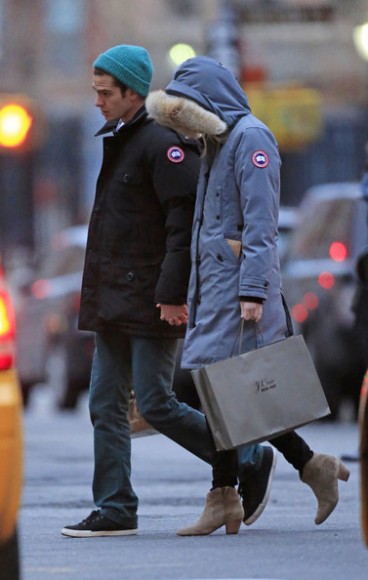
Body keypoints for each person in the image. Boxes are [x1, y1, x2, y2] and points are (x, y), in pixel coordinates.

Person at [61, 44, 281, 539]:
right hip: (112, 298)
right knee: (104, 403)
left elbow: (184, 224)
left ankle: (249, 457)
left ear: (131, 92)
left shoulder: (165, 144)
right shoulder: (121, 138)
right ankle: (116, 506)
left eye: (104, 93)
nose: (97, 101)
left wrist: (173, 294)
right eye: (95, 92)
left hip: (149, 300)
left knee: (156, 402)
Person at [146, 55, 350, 536]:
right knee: (222, 392)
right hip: (216, 289)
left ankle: (232, 493)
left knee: (214, 388)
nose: (183, 128)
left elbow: (262, 222)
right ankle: (282, 474)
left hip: (239, 292)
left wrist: (254, 291)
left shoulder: (251, 138)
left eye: (186, 114)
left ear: (208, 104)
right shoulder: (218, 143)